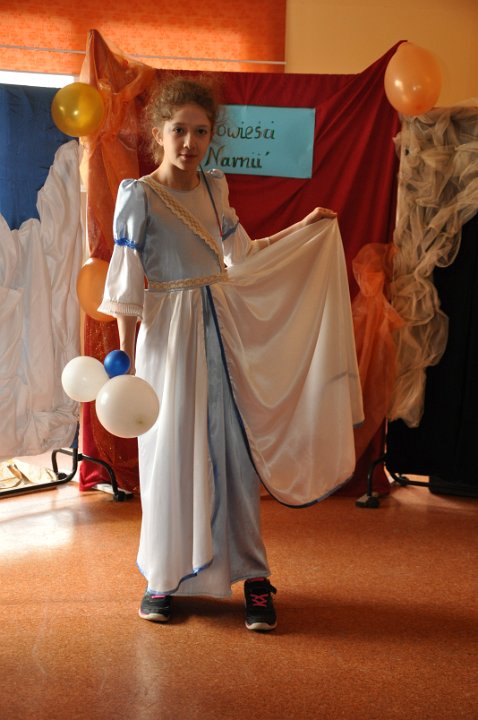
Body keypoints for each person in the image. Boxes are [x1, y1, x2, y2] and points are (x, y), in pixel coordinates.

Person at [99, 75, 361, 632]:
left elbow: (242, 256)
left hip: (222, 336)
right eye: (179, 130)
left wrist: (303, 230)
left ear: (211, 135)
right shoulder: (138, 196)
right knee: (170, 453)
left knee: (234, 457)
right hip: (168, 339)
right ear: (157, 132)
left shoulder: (215, 188)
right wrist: (125, 360)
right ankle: (164, 577)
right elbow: (125, 285)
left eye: (200, 131)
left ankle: (254, 575)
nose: (190, 142)